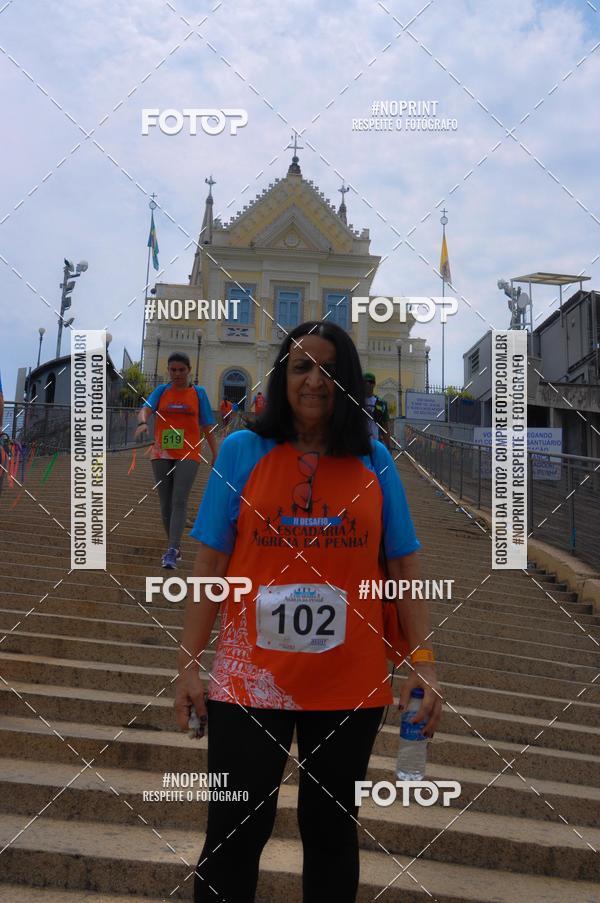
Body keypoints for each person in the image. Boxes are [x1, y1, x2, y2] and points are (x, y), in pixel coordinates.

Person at [174, 321, 442, 902]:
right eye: (301, 367)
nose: (315, 381)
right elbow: (210, 563)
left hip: (349, 682)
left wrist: (423, 663)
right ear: (281, 377)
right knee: (233, 834)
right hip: (249, 681)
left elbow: (404, 564)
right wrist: (189, 664)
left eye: (330, 371)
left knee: (331, 833)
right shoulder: (242, 452)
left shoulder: (374, 459)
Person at [135, 352, 217, 569]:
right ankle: (175, 544)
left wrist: (216, 453)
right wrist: (142, 423)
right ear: (168, 371)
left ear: (189, 370)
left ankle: (171, 549)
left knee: (179, 499)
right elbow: (145, 409)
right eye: (173, 370)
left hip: (189, 452)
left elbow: (207, 426)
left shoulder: (198, 393)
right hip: (161, 451)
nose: (177, 374)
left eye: (181, 370)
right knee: (166, 503)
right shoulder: (161, 391)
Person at [363, 372, 391, 449]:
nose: (368, 384)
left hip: (375, 445)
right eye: (365, 382)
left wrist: (388, 448)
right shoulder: (356, 401)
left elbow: (385, 427)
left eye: (370, 382)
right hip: (359, 445)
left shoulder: (381, 404)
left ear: (374, 384)